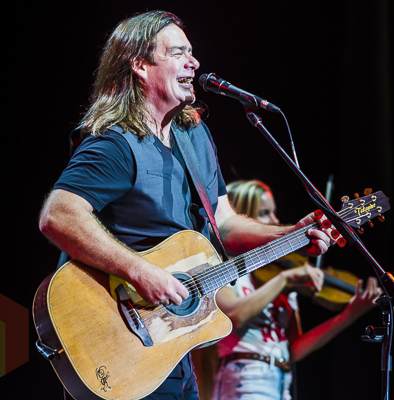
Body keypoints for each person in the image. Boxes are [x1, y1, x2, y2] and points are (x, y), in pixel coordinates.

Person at [38, 11, 333, 400]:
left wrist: (290, 234)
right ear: (140, 65)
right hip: (120, 341)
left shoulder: (195, 137)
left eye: (191, 53)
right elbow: (59, 214)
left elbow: (224, 223)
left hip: (172, 348)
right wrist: (140, 271)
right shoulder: (115, 143)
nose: (193, 62)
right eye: (178, 53)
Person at [209, 180, 382, 400]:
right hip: (244, 378)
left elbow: (293, 348)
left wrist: (348, 315)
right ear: (242, 217)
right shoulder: (223, 267)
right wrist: (285, 278)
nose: (275, 220)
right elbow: (234, 315)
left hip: (281, 381)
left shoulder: (283, 279)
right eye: (264, 213)